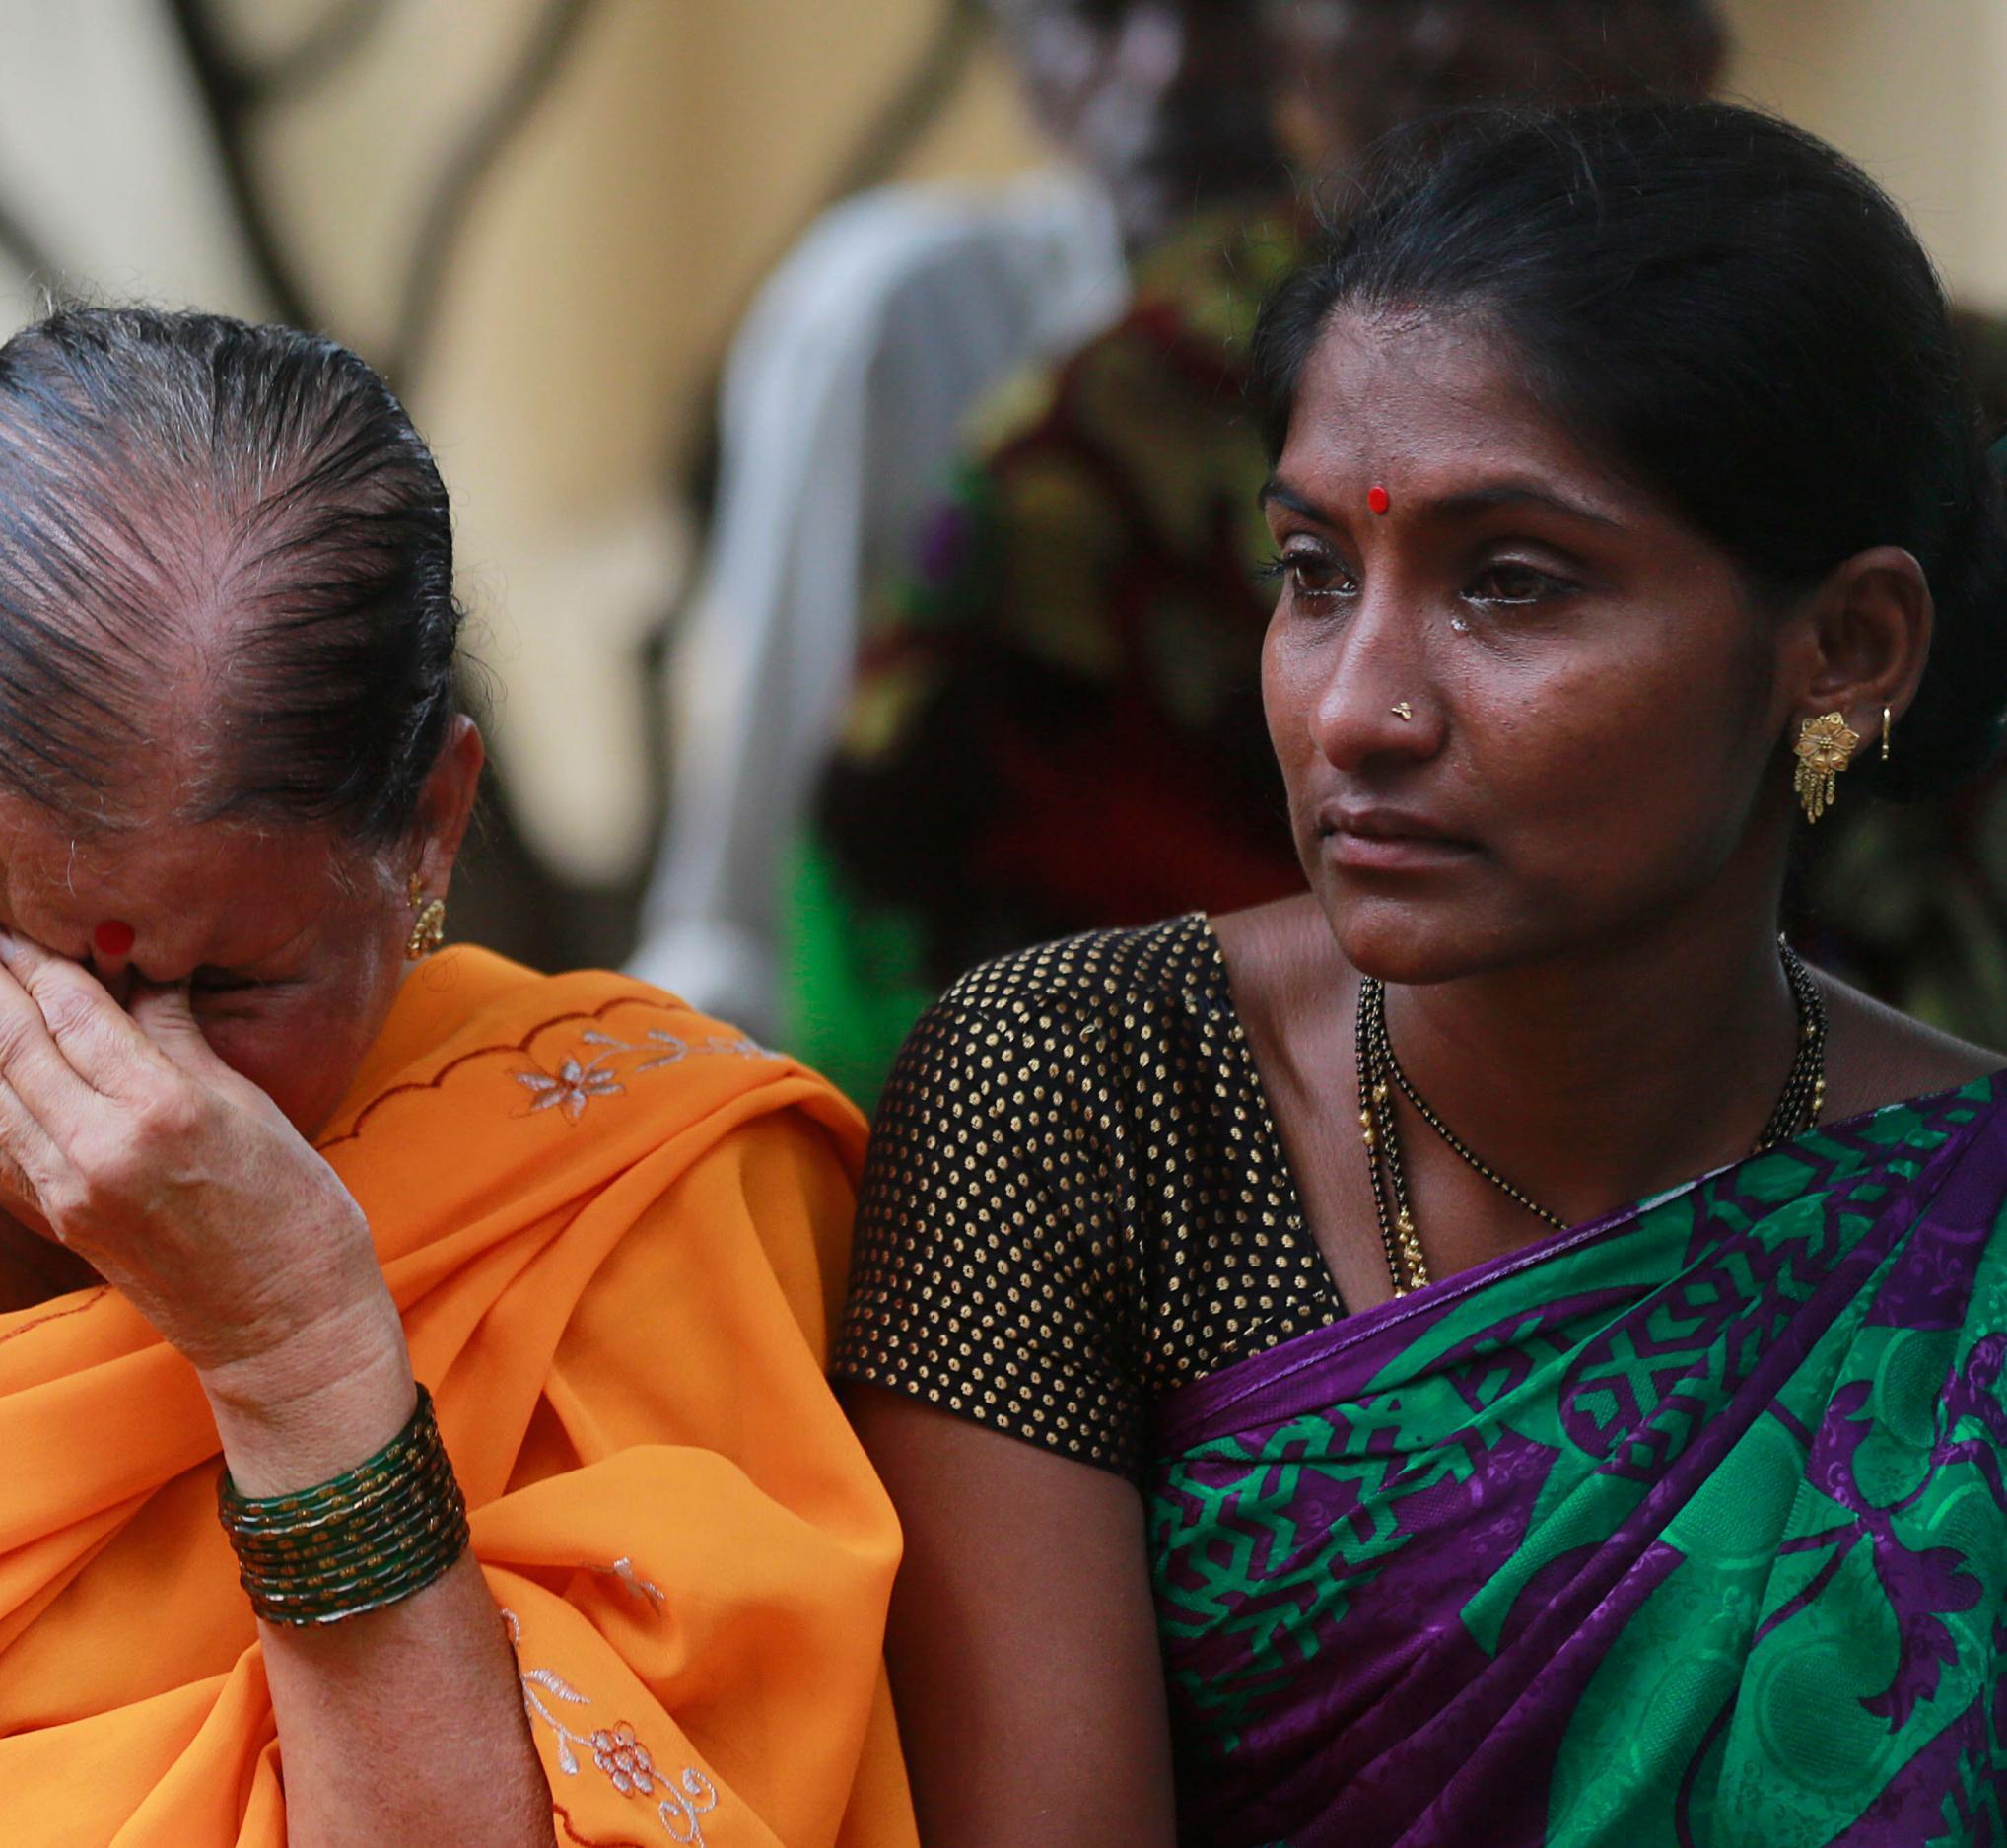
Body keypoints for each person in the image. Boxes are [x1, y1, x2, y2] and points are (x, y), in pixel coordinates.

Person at [0, 309, 912, 1847]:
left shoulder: (615, 1168)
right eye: (3, 941)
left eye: (229, 983)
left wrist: (302, 1355)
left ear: (432, 827)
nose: (118, 1076)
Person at [836, 101, 2007, 1844]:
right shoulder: (1086, 1101)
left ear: (1846, 648)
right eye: (1313, 573)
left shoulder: (1968, 1237)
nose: (1358, 711)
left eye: (1512, 585)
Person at [797, 0, 1727, 1102]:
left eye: (1515, 584)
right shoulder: (1106, 430)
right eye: (1307, 574)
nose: (1436, 38)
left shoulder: (1916, 414)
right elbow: (894, 913)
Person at [627, 0, 1272, 1041]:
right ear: (1014, 53)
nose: (1173, 66)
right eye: (1098, 12)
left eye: (1231, 9)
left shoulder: (1443, 335)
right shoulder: (903, 317)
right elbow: (749, 886)